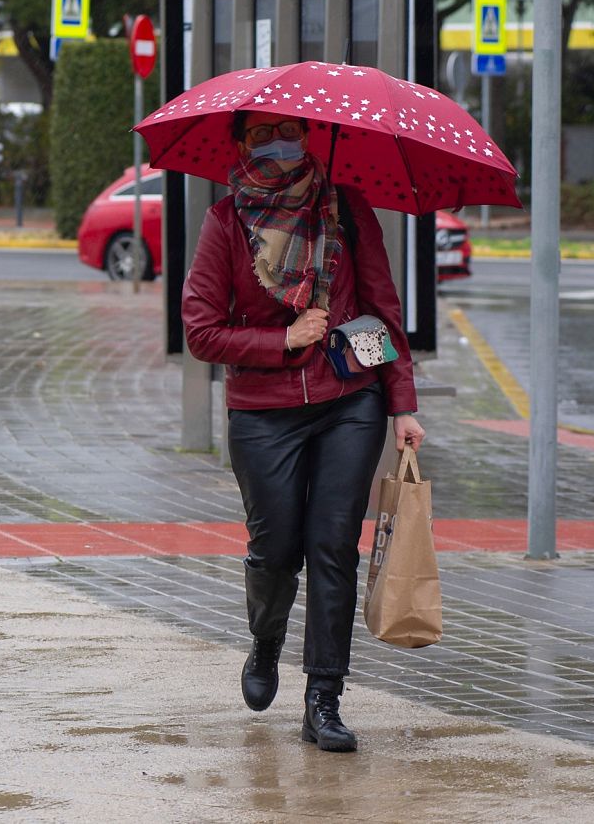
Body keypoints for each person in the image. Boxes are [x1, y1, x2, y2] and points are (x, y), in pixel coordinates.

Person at [181, 111, 426, 753]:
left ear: (311, 138)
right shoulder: (225, 223)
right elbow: (201, 331)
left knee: (333, 547)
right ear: (239, 144)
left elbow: (384, 308)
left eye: (289, 130)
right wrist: (282, 338)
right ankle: (265, 641)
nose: (278, 142)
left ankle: (324, 699)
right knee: (275, 549)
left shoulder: (346, 208)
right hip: (263, 412)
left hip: (351, 401)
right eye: (261, 133)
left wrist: (402, 404)